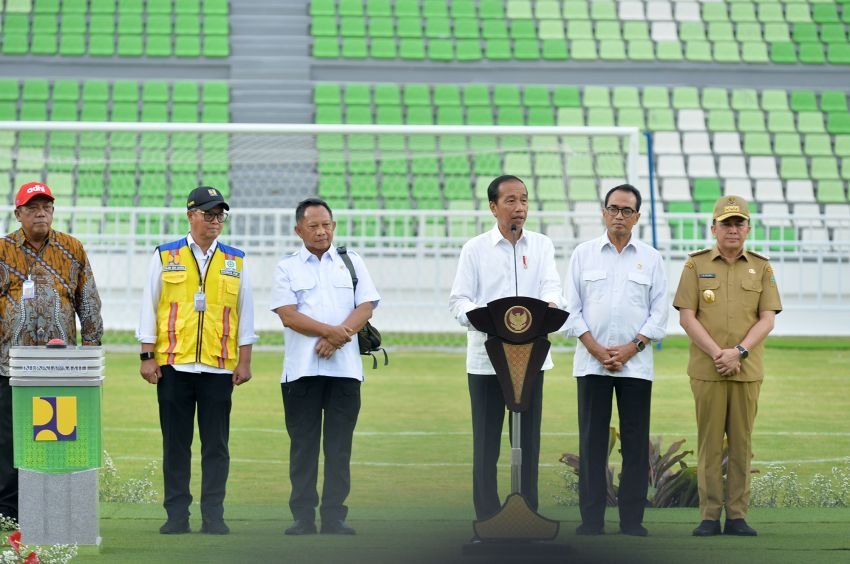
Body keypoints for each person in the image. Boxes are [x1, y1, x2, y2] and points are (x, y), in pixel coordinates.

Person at [137, 186, 256, 535]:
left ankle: (213, 516)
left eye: (220, 215)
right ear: (191, 216)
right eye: (208, 214)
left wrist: (245, 361)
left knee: (216, 447)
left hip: (218, 367)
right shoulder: (165, 255)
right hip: (174, 366)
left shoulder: (236, 260)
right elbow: (149, 306)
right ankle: (176, 516)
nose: (215, 221)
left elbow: (245, 312)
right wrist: (147, 356)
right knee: (176, 446)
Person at [449, 175, 564, 524]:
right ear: (493, 206)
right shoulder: (475, 249)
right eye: (511, 200)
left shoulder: (542, 245)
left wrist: (546, 308)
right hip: (487, 361)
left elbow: (553, 290)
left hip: (531, 360)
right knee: (486, 444)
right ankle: (487, 518)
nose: (519, 207)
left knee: (528, 441)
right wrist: (489, 320)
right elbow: (459, 302)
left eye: (524, 200)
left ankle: (528, 514)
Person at [673, 195, 782, 537]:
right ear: (713, 229)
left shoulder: (762, 267)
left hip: (746, 371)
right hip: (708, 370)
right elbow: (687, 317)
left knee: (741, 444)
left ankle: (736, 515)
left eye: (739, 223)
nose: (732, 229)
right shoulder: (695, 265)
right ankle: (709, 516)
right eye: (726, 224)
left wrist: (738, 352)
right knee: (709, 444)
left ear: (748, 229)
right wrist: (718, 354)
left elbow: (767, 319)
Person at [563, 184, 668, 537]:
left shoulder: (651, 258)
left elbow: (659, 313)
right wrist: (595, 348)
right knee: (592, 443)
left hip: (635, 366)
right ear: (603, 212)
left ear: (637, 216)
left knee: (635, 444)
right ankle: (591, 520)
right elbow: (570, 310)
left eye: (626, 210)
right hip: (591, 364)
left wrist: (631, 347)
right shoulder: (583, 254)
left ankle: (632, 520)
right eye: (613, 208)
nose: (619, 216)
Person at [271, 198, 380, 536]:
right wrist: (331, 333)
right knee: (303, 447)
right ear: (298, 230)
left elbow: (366, 307)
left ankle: (334, 517)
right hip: (301, 372)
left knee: (339, 448)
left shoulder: (351, 262)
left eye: (326, 225)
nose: (321, 232)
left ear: (333, 226)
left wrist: (337, 337)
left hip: (345, 372)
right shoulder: (287, 267)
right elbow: (288, 315)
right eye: (314, 226)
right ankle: (303, 518)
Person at [0, 181, 103, 524]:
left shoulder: (72, 249)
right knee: (8, 441)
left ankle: (53, 508)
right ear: (18, 214)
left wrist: (91, 351)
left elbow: (88, 301)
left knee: (57, 437)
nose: (40, 213)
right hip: (10, 366)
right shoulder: (2, 250)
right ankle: (8, 512)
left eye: (46, 207)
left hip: (61, 367)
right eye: (32, 208)